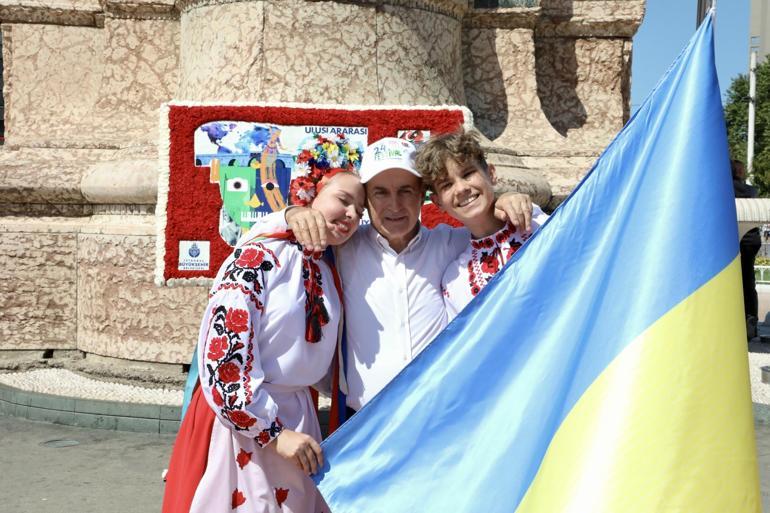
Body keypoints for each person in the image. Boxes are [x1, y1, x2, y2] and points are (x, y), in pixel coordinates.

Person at [162, 134, 365, 513]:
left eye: (360, 207)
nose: (353, 214)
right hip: (242, 428)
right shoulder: (259, 255)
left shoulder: (327, 266)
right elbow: (225, 354)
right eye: (343, 200)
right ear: (308, 194)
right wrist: (273, 433)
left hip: (298, 418)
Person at [269, 136, 535, 416]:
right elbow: (264, 245)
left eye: (406, 190)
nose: (395, 205)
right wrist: (291, 214)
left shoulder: (449, 243)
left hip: (441, 414)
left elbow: (488, 227)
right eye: (381, 192)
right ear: (367, 198)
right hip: (367, 421)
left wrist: (502, 199)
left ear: (422, 194)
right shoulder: (342, 249)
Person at [415, 128, 549, 320]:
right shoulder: (455, 281)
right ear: (438, 203)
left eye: (468, 173)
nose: (461, 188)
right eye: (447, 185)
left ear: (491, 174)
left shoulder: (539, 225)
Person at [733, 159, 761, 340]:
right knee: (748, 282)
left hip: (732, 239)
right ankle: (751, 325)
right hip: (751, 239)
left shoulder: (724, 189)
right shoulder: (751, 191)